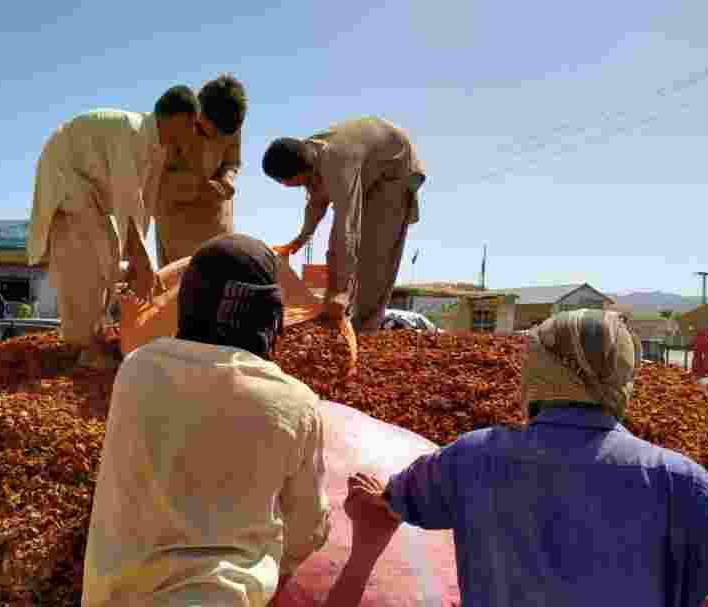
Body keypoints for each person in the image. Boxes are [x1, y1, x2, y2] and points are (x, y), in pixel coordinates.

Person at [345, 310, 708, 606]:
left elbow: (401, 498)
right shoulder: (681, 482)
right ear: (624, 374)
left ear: (534, 373)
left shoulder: (470, 459)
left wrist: (381, 497)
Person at [81, 234, 331, 607]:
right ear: (268, 312)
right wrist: (276, 566)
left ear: (190, 300)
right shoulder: (296, 404)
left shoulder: (138, 370)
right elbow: (308, 526)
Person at [26, 86, 201, 369]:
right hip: (67, 177)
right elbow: (127, 196)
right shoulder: (130, 131)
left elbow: (143, 204)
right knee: (89, 253)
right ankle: (86, 346)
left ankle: (86, 339)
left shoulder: (156, 148)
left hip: (89, 189)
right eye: (192, 125)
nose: (192, 134)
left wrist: (139, 256)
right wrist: (138, 256)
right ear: (180, 119)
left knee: (108, 251)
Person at [262, 117, 425, 333]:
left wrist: (336, 293)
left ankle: (364, 331)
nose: (285, 186)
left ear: (298, 171)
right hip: (369, 163)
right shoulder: (308, 153)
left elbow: (346, 229)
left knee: (376, 253)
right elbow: (316, 201)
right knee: (358, 251)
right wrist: (299, 240)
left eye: (285, 182)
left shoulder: (338, 164)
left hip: (394, 167)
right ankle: (353, 319)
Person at [155, 74, 247, 267]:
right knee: (182, 286)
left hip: (217, 220)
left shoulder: (229, 120)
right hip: (177, 222)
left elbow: (232, 162)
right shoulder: (173, 123)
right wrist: (197, 186)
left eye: (222, 135)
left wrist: (226, 179)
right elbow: (157, 181)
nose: (215, 139)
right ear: (198, 110)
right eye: (208, 132)